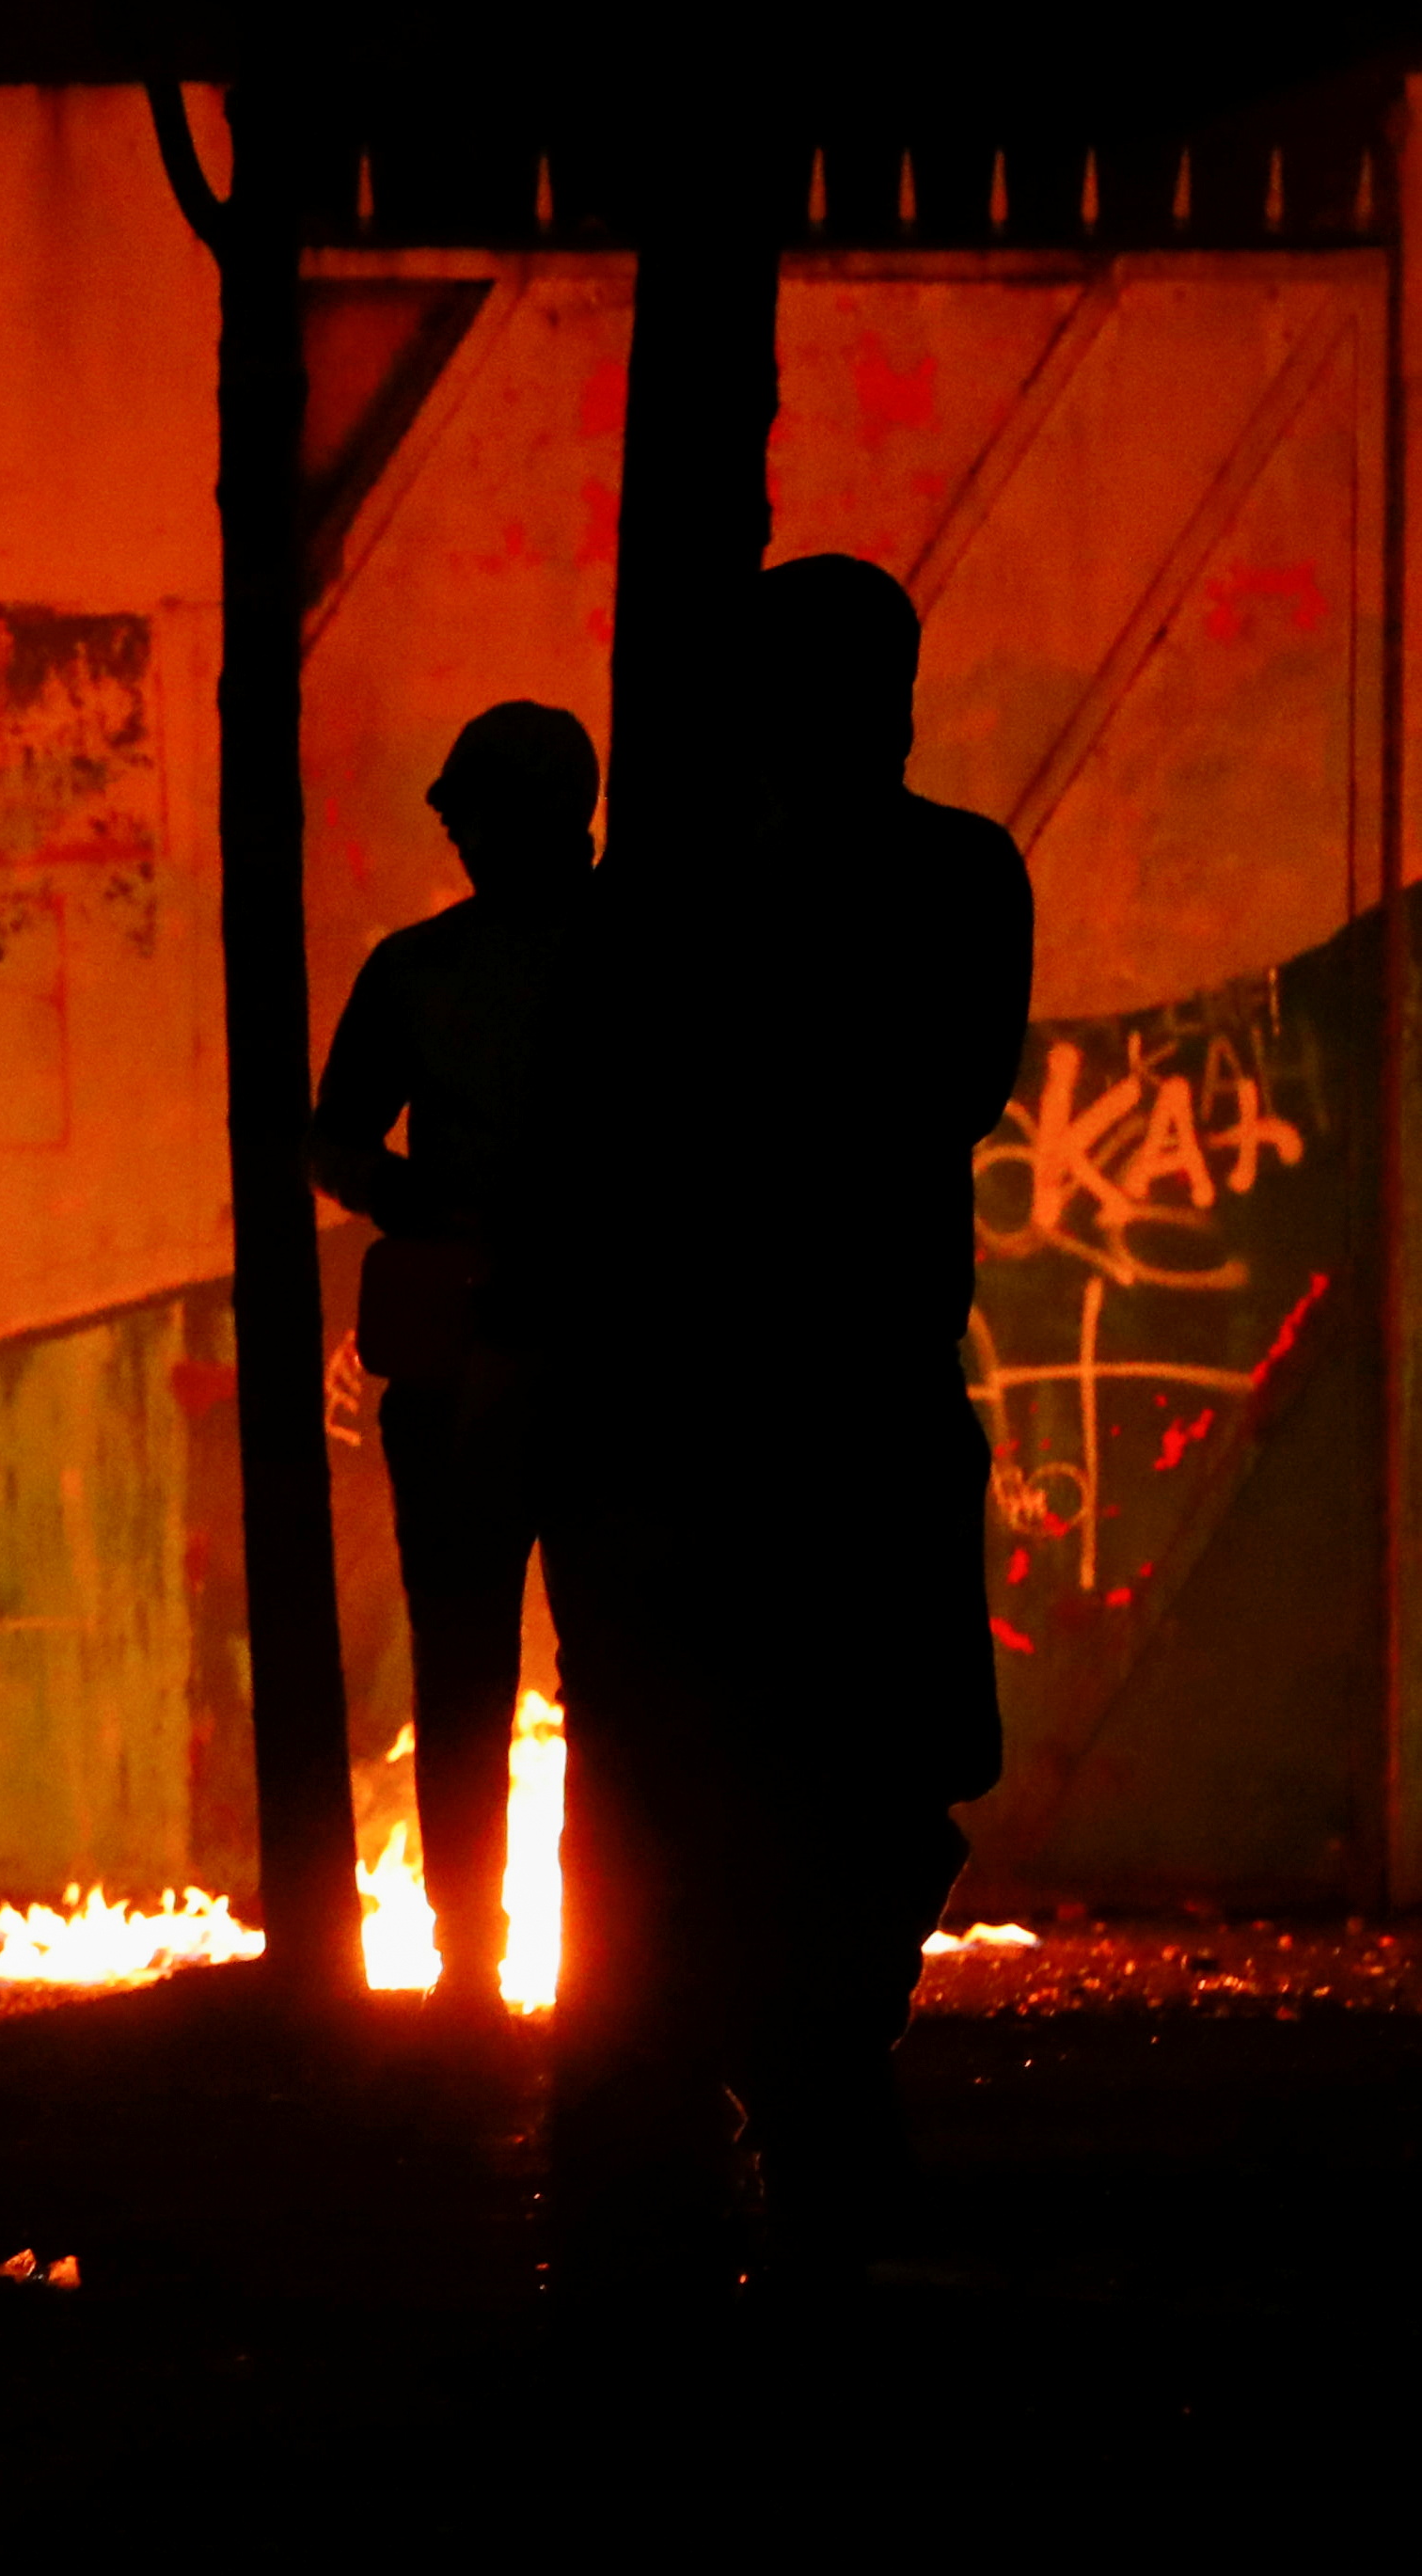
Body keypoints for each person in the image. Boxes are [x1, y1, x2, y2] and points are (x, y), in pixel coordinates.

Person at [527, 553, 1031, 2299]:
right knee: (863, 1777)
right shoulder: (944, 877)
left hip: (735, 1411)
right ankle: (801, 2092)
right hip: (833, 1398)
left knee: (792, 1783)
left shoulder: (686, 910)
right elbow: (930, 1089)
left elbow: (619, 1143)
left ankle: (773, 2092)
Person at [307, 700, 599, 2023]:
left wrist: (424, 1204)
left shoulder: (418, 971)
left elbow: (337, 1140)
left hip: (473, 1357)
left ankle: (473, 1963)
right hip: (612, 1351)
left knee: (464, 1667)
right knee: (618, 1673)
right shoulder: (645, 959)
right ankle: (607, 1959)